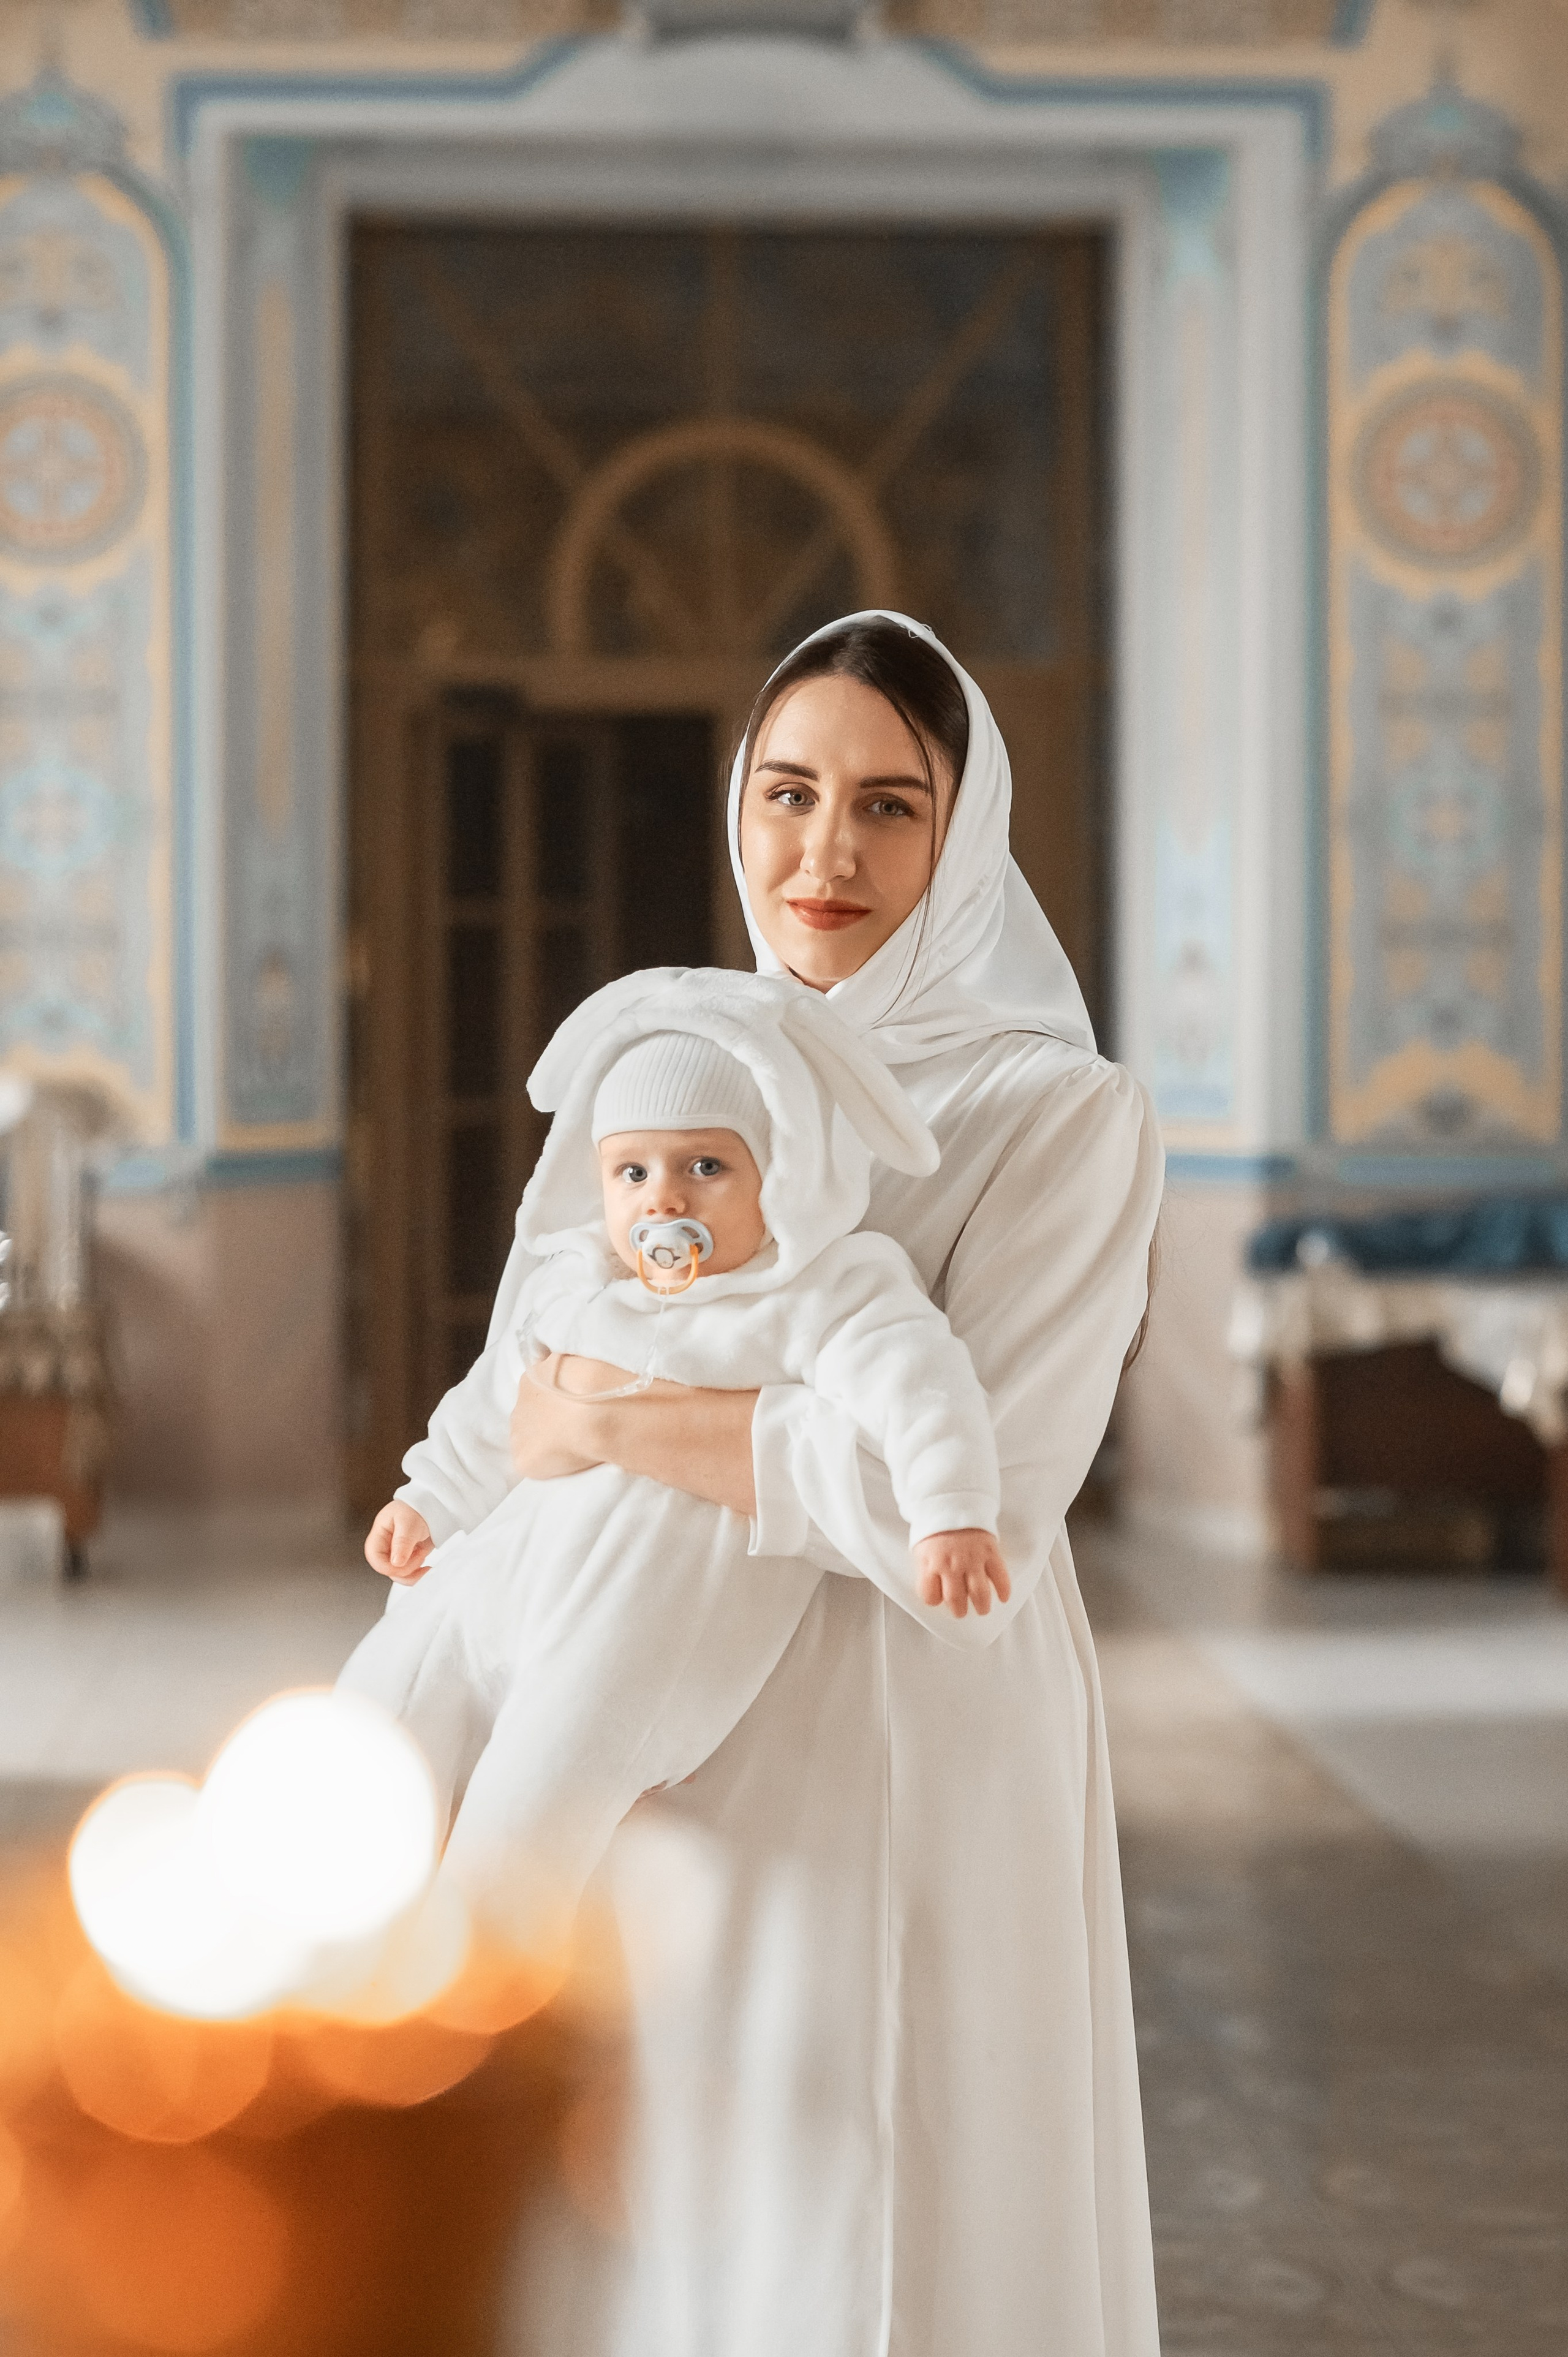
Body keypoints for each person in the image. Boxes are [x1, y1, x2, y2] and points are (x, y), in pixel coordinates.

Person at [472, 611, 1159, 2357]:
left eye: (887, 807)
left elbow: (980, 1492)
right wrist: (562, 1436)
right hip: (669, 1706)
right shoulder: (688, 1065)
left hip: (916, 1711)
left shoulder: (1061, 1116)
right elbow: (520, 1383)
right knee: (696, 2182)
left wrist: (624, 1429)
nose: (825, 854)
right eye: (787, 794)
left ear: (965, 835)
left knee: (898, 2183)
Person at [342, 970, 1008, 1948]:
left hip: (631, 1636)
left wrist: (950, 1505)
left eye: (705, 1168)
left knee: (532, 1809)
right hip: (504, 1581)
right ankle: (337, 1931)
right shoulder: (575, 1286)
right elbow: (488, 1411)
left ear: (776, 1176)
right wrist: (428, 1501)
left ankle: (461, 1991)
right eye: (633, 1173)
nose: (664, 1200)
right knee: (387, 1697)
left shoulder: (822, 1291)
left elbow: (921, 1385)